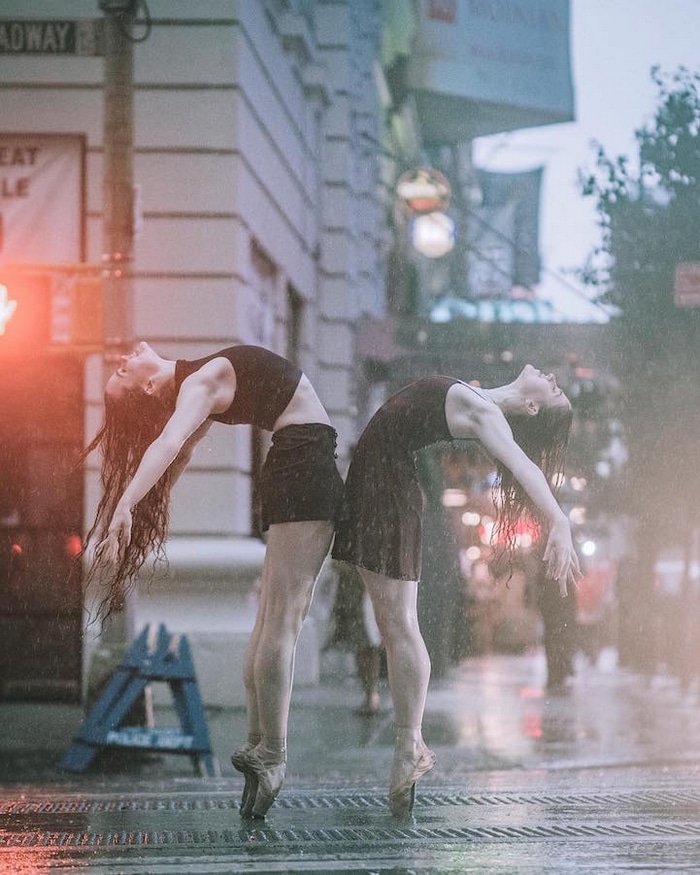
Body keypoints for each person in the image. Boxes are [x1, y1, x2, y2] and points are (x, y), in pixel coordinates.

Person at [84, 342, 344, 818]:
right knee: (282, 623)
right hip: (305, 467)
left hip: (291, 465)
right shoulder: (201, 382)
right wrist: (124, 507)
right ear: (146, 385)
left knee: (270, 621)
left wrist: (128, 508)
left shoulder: (196, 383)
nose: (123, 358)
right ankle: (273, 754)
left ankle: (255, 744)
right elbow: (167, 446)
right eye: (121, 372)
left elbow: (176, 457)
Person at [332, 365, 581, 817]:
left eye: (554, 389)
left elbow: (524, 466)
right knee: (394, 624)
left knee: (399, 626)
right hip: (379, 484)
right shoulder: (479, 401)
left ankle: (410, 745)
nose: (551, 375)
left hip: (385, 489)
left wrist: (558, 520)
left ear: (531, 407)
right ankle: (408, 746)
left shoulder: (484, 413)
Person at [325, 561, 384, 716]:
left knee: (367, 640)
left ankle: (371, 694)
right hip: (354, 581)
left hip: (362, 581)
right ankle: (370, 694)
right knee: (362, 641)